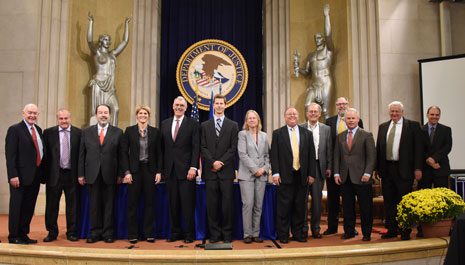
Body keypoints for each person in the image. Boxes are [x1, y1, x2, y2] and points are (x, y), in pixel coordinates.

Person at [376, 101, 423, 240]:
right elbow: (379, 149)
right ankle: (391, 229)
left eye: (397, 111)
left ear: (402, 112)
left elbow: (418, 149)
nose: (394, 114)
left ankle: (405, 231)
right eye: (392, 111)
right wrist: (377, 168)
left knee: (404, 201)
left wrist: (418, 168)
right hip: (387, 170)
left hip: (405, 170)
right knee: (389, 201)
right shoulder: (383, 127)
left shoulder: (413, 126)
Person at [78, 104, 124, 243]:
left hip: (111, 174)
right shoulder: (86, 132)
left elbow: (121, 155)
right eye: (100, 112)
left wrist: (120, 174)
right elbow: (81, 155)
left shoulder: (118, 132)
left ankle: (108, 233)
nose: (103, 115)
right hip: (92, 174)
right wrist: (80, 174)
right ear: (96, 115)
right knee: (94, 205)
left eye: (105, 113)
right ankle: (94, 232)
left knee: (109, 205)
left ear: (110, 115)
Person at [271, 107, 316, 243]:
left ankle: (298, 234)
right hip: (284, 176)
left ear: (298, 116)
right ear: (285, 117)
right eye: (289, 114)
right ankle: (283, 235)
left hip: (302, 176)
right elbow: (274, 155)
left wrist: (311, 174)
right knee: (284, 208)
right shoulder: (278, 133)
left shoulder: (307, 133)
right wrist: (276, 173)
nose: (292, 116)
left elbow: (311, 155)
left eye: (294, 114)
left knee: (300, 207)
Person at [161, 97, 200, 244]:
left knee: (187, 204)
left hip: (186, 171)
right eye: (176, 105)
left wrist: (193, 167)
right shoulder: (164, 124)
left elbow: (196, 147)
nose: (179, 107)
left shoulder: (193, 124)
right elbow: (162, 148)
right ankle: (175, 232)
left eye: (181, 105)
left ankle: (189, 234)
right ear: (172, 106)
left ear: (185, 108)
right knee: (173, 204)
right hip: (170, 171)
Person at [200, 94, 239, 243]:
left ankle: (227, 235)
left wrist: (220, 162)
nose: (219, 106)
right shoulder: (204, 125)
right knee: (212, 206)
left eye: (221, 103)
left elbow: (233, 148)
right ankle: (215, 236)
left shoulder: (233, 125)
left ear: (225, 105)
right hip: (210, 172)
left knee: (227, 206)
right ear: (213, 106)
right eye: (216, 103)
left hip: (226, 172)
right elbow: (202, 147)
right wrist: (212, 163)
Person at [333, 108, 376, 241]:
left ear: (358, 119)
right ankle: (349, 231)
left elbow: (372, 157)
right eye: (348, 118)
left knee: (365, 208)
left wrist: (368, 173)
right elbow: (336, 156)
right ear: (345, 120)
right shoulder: (340, 136)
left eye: (353, 118)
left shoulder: (367, 135)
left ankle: (367, 233)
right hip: (345, 178)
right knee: (347, 208)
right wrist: (336, 173)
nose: (351, 120)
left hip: (363, 178)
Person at [121, 105, 162, 244]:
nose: (143, 115)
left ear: (148, 116)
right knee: (132, 204)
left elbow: (159, 153)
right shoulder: (129, 131)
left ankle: (149, 233)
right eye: (140, 113)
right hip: (134, 171)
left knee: (150, 203)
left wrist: (159, 172)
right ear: (137, 116)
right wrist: (126, 172)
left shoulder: (155, 132)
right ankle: (133, 234)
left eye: (145, 113)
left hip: (150, 171)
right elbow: (123, 153)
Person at [5, 104, 45, 244]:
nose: (32, 115)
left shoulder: (38, 130)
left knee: (28, 207)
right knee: (17, 207)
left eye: (35, 113)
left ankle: (23, 234)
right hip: (19, 177)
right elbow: (10, 155)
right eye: (30, 113)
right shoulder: (15, 130)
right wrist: (12, 175)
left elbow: (40, 152)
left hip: (35, 177)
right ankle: (14, 236)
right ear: (23, 113)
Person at [324, 96, 363, 236]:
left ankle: (350, 227)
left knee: (349, 199)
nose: (341, 106)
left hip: (351, 168)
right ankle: (332, 227)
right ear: (336, 106)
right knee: (332, 198)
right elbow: (327, 145)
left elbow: (360, 145)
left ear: (348, 104)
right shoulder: (329, 121)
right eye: (339, 104)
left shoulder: (357, 121)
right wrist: (330, 166)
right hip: (334, 166)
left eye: (344, 104)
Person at [43, 109, 81, 242]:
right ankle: (52, 232)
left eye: (66, 118)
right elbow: (45, 156)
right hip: (55, 175)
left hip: (72, 175)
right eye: (61, 118)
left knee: (73, 206)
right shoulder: (48, 133)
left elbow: (81, 156)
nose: (64, 121)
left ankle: (72, 232)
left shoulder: (79, 133)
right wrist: (45, 176)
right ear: (57, 119)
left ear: (70, 118)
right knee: (52, 205)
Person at [87, 12, 130, 126]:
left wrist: (126, 25)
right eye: (106, 39)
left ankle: (113, 132)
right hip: (98, 85)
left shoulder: (113, 54)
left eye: (109, 40)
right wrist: (91, 23)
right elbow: (90, 41)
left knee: (115, 109)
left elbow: (125, 42)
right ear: (101, 41)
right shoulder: (97, 53)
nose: (109, 42)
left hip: (110, 87)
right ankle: (95, 134)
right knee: (96, 113)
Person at [293, 4, 333, 119]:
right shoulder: (311, 55)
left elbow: (329, 34)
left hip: (325, 81)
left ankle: (327, 135)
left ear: (324, 40)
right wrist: (297, 68)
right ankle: (307, 133)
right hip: (314, 84)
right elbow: (306, 72)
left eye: (319, 38)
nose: (317, 40)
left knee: (325, 111)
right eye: (316, 38)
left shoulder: (328, 51)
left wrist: (326, 16)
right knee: (307, 106)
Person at [237, 110, 270, 244]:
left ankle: (256, 233)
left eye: (254, 118)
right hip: (247, 175)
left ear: (258, 120)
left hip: (261, 175)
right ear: (246, 121)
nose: (251, 120)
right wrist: (255, 169)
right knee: (248, 204)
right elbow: (242, 154)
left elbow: (267, 156)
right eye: (249, 118)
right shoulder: (242, 134)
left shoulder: (264, 135)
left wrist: (264, 169)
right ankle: (247, 234)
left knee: (258, 205)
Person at [300, 103, 332, 239]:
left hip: (319, 168)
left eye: (315, 112)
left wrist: (329, 167)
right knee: (302, 201)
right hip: (303, 169)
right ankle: (303, 229)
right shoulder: (300, 128)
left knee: (317, 202)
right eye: (310, 111)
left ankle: (316, 228)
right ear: (306, 113)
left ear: (320, 114)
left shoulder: (326, 129)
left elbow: (329, 149)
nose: (313, 114)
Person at [420, 106, 452, 189]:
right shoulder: (420, 130)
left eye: (437, 115)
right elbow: (418, 149)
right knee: (423, 197)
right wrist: (428, 160)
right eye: (432, 114)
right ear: (427, 115)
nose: (434, 117)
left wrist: (434, 159)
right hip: (424, 169)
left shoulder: (446, 130)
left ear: (439, 116)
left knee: (441, 197)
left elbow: (447, 147)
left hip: (440, 168)